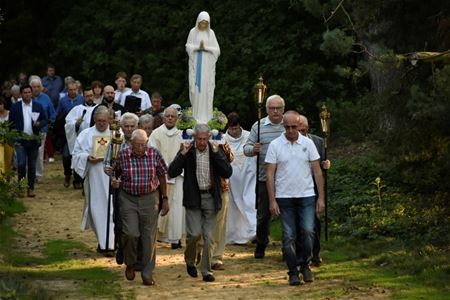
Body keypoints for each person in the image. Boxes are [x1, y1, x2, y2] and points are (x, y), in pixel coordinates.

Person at [265, 111, 324, 285]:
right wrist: (272, 200)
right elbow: (269, 174)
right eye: (287, 127)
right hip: (284, 197)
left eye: (294, 127)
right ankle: (292, 272)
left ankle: (305, 264)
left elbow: (317, 171)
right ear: (283, 126)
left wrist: (321, 197)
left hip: (306, 195)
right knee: (288, 236)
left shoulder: (308, 144)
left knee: (308, 231)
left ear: (299, 126)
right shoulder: (275, 145)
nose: (290, 130)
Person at [168, 124, 232, 282]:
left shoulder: (216, 149)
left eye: (205, 139)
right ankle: (190, 261)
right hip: (193, 199)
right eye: (199, 139)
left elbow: (227, 172)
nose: (202, 142)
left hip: (211, 197)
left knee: (209, 236)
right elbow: (172, 172)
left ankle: (206, 270)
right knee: (194, 234)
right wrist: (182, 154)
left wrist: (217, 154)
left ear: (209, 137)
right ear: (194, 137)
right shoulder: (188, 151)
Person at [111, 129, 169, 286]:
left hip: (150, 198)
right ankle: (130, 263)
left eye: (143, 144)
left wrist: (165, 199)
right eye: (137, 145)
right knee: (131, 233)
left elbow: (163, 175)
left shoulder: (154, 154)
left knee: (149, 237)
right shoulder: (122, 154)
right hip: (128, 198)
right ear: (131, 144)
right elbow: (115, 173)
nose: (141, 148)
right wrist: (115, 181)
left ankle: (147, 272)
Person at [243, 95, 285, 259]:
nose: (275, 111)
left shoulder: (288, 125)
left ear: (283, 109)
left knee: (286, 214)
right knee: (263, 215)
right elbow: (246, 148)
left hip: (285, 178)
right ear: (267, 109)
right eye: (272, 108)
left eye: (278, 108)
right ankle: (261, 243)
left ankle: (287, 246)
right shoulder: (258, 126)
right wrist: (254, 149)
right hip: (263, 178)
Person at [72, 106, 115, 256]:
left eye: (105, 120)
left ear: (109, 119)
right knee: (97, 209)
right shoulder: (86, 134)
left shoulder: (116, 133)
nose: (102, 123)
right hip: (94, 177)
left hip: (113, 179)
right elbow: (76, 154)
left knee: (113, 209)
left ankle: (110, 244)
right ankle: (103, 243)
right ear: (94, 120)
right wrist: (87, 158)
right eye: (99, 121)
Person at [148, 107, 184, 249]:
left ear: (177, 119)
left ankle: (176, 238)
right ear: (163, 118)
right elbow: (152, 154)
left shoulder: (182, 134)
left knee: (177, 206)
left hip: (179, 176)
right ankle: (161, 236)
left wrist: (176, 169)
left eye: (172, 116)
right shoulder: (155, 134)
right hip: (160, 176)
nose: (170, 118)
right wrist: (163, 170)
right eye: (167, 116)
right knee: (161, 204)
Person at [298, 115, 331, 267]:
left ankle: (315, 253)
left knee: (314, 220)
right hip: (296, 186)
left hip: (314, 186)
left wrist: (326, 164)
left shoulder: (317, 141)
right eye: (299, 130)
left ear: (308, 129)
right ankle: (298, 253)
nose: (301, 133)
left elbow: (323, 161)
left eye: (304, 130)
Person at [224, 112, 257, 244]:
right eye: (231, 129)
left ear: (240, 126)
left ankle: (254, 232)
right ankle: (236, 235)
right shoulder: (222, 138)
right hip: (232, 179)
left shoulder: (249, 136)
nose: (233, 131)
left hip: (249, 177)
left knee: (250, 203)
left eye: (235, 128)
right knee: (233, 206)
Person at [9, 84, 47, 197]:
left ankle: (30, 188)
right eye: (25, 92)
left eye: (29, 92)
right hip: (20, 140)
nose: (27, 94)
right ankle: (21, 187)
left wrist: (40, 123)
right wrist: (14, 133)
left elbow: (45, 119)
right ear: (21, 94)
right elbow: (11, 123)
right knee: (21, 164)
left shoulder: (38, 106)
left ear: (32, 93)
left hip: (33, 139)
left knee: (32, 165)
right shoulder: (15, 107)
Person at [185, 11, 220, 124]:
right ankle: (196, 117)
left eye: (206, 23)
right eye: (202, 23)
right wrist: (196, 48)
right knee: (195, 91)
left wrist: (206, 48)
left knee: (206, 90)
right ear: (198, 22)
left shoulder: (211, 34)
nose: (203, 25)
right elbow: (188, 46)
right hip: (196, 67)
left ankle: (207, 117)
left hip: (207, 69)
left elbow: (217, 50)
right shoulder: (193, 32)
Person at [57, 81, 84, 188]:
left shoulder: (81, 100)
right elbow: (59, 114)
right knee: (66, 155)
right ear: (67, 90)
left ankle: (77, 178)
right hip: (67, 133)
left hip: (80, 132)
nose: (73, 92)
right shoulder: (63, 101)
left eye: (74, 89)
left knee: (77, 155)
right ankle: (67, 174)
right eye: (70, 90)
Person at [64, 86, 98, 167]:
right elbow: (68, 123)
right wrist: (76, 124)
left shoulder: (99, 108)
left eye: (91, 96)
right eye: (87, 96)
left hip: (95, 138)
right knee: (67, 156)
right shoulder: (77, 109)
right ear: (83, 97)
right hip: (80, 139)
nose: (89, 98)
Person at [30, 77, 56, 181]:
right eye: (34, 87)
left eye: (38, 86)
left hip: (42, 129)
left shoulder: (46, 98)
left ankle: (39, 174)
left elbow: (52, 113)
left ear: (41, 87)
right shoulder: (27, 98)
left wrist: (50, 122)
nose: (36, 89)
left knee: (39, 152)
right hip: (27, 129)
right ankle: (30, 174)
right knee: (29, 153)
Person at [0, 97, 14, 172]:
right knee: (0, 160)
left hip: (9, 140)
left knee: (8, 161)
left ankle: (7, 178)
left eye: (0, 104)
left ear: (3, 104)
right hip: (0, 140)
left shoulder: (10, 113)